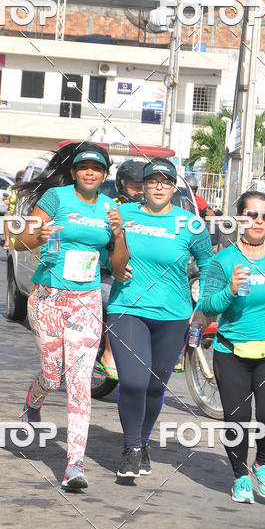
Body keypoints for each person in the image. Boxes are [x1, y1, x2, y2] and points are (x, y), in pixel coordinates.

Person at [14, 142, 128, 490]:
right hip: (48, 297)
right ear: (75, 172)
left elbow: (118, 266)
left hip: (86, 301)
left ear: (104, 174)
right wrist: (39, 235)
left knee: (79, 382)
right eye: (83, 167)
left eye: (97, 168)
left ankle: (74, 465)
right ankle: (34, 398)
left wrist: (119, 233)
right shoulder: (56, 198)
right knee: (53, 376)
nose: (90, 172)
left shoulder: (111, 208)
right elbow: (20, 241)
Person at [106, 158, 214, 479]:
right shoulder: (123, 214)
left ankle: (143, 442)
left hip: (174, 315)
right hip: (128, 308)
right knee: (133, 382)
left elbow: (209, 265)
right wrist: (112, 265)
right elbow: (102, 249)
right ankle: (131, 448)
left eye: (166, 181)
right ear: (143, 185)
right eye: (152, 181)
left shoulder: (190, 224)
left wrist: (203, 305)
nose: (158, 187)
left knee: (155, 387)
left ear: (174, 187)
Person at [197, 190, 265, 504]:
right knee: (237, 419)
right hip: (231, 352)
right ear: (240, 219)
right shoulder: (223, 260)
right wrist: (230, 289)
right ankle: (240, 475)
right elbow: (206, 307)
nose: (259, 221)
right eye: (252, 214)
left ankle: (262, 464)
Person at [97, 159, 145, 378]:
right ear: (122, 184)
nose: (140, 190)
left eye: (143, 185)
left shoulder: (149, 210)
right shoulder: (111, 208)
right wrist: (113, 265)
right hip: (106, 273)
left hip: (139, 274)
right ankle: (108, 353)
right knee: (116, 298)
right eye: (135, 185)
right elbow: (100, 243)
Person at [3, 169, 25, 249]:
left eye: (21, 180)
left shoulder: (27, 189)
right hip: (12, 211)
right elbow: (5, 198)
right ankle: (7, 241)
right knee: (7, 219)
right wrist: (6, 200)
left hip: (22, 212)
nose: (20, 181)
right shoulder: (11, 188)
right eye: (18, 180)